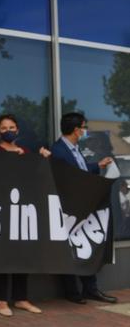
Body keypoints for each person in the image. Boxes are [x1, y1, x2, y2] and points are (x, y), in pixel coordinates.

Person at [50, 112, 116, 305]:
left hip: (84, 205)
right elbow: (68, 176)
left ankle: (90, 288)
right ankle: (72, 291)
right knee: (69, 249)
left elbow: (80, 169)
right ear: (76, 130)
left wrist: (97, 166)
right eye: (83, 127)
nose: (85, 131)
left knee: (86, 247)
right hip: (69, 208)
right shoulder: (58, 150)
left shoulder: (75, 148)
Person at [0, 114, 47, 317]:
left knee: (22, 254)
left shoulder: (26, 153)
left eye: (12, 127)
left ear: (18, 130)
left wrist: (40, 159)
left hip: (23, 210)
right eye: (4, 128)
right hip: (0, 212)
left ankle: (21, 298)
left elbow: (37, 176)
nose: (8, 131)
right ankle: (1, 300)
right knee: (2, 255)